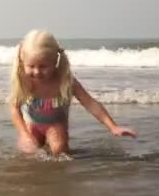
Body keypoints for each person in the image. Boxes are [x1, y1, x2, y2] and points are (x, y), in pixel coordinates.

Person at [9, 29, 137, 155]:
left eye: (43, 66)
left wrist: (113, 127)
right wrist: (24, 133)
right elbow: (14, 108)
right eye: (31, 66)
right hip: (32, 124)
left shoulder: (65, 81)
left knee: (60, 151)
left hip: (56, 124)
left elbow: (91, 104)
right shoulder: (23, 80)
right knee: (28, 153)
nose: (37, 72)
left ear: (55, 62)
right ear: (23, 62)